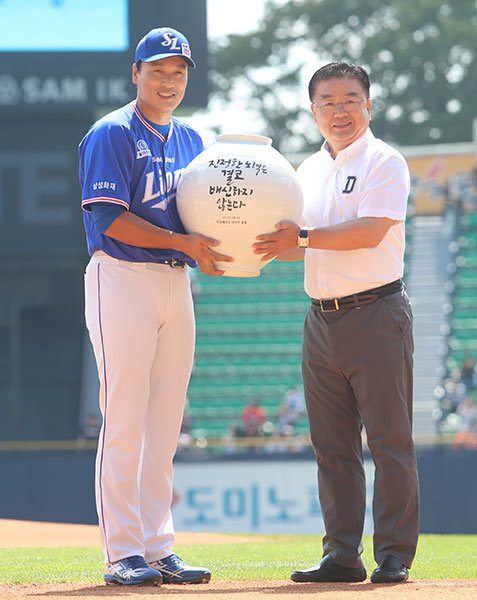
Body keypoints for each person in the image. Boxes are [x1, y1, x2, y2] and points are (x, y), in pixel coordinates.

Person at [253, 62, 419, 584]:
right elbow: (286, 239)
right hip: (320, 318)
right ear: (313, 111)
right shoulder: (304, 170)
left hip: (376, 312)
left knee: (389, 441)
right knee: (332, 447)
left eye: (350, 99)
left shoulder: (384, 161)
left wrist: (299, 240)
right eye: (327, 101)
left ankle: (394, 554)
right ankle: (342, 555)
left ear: (368, 104)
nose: (339, 110)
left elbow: (369, 232)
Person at [79, 27, 232, 587]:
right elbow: (109, 218)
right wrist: (185, 245)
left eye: (178, 72)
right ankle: (123, 551)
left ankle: (157, 546)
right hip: (120, 277)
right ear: (136, 73)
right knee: (124, 419)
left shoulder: (193, 139)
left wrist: (221, 249)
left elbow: (205, 218)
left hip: (175, 282)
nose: (169, 81)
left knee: (165, 422)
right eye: (158, 70)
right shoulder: (112, 132)